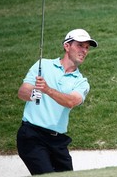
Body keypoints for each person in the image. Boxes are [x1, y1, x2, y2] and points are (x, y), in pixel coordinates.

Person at [16, 29, 98, 175]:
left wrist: (48, 90)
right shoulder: (43, 65)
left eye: (86, 47)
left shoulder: (81, 82)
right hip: (32, 135)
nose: (84, 50)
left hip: (58, 141)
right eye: (80, 45)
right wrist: (35, 92)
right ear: (67, 46)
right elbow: (22, 92)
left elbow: (71, 101)